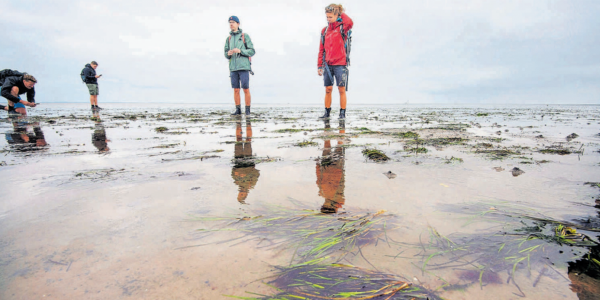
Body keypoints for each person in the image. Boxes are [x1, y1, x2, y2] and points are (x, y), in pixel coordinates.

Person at [317, 4, 353, 119]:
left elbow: (350, 22)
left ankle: (342, 113)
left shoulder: (343, 27)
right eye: (327, 17)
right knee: (328, 89)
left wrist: (340, 11)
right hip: (327, 64)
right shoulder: (324, 30)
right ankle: (327, 113)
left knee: (341, 89)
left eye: (331, 17)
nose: (328, 19)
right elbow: (321, 49)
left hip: (340, 64)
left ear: (337, 16)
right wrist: (319, 66)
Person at [224, 16, 255, 116]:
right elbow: (225, 53)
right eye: (230, 22)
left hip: (244, 67)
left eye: (233, 22)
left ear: (238, 24)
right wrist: (228, 54)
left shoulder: (244, 36)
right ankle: (238, 110)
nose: (231, 24)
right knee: (236, 89)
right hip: (233, 67)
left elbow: (252, 51)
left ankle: (247, 110)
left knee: (245, 88)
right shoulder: (228, 39)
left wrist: (240, 51)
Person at [316, 120, 346, 213]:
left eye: (324, 205)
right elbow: (341, 182)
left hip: (329, 168)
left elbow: (318, 179)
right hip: (335, 168)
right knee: (336, 146)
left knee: (329, 146)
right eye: (326, 206)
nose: (325, 204)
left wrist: (317, 166)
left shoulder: (323, 193)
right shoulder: (338, 198)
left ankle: (329, 127)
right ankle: (339, 127)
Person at [231, 120, 260, 204]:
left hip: (238, 161)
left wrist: (236, 173)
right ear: (245, 194)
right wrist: (246, 173)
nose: (240, 192)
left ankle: (239, 123)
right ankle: (247, 123)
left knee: (238, 140)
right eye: (241, 194)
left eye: (239, 194)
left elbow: (232, 171)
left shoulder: (237, 182)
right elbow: (257, 172)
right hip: (248, 162)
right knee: (248, 141)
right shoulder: (252, 184)